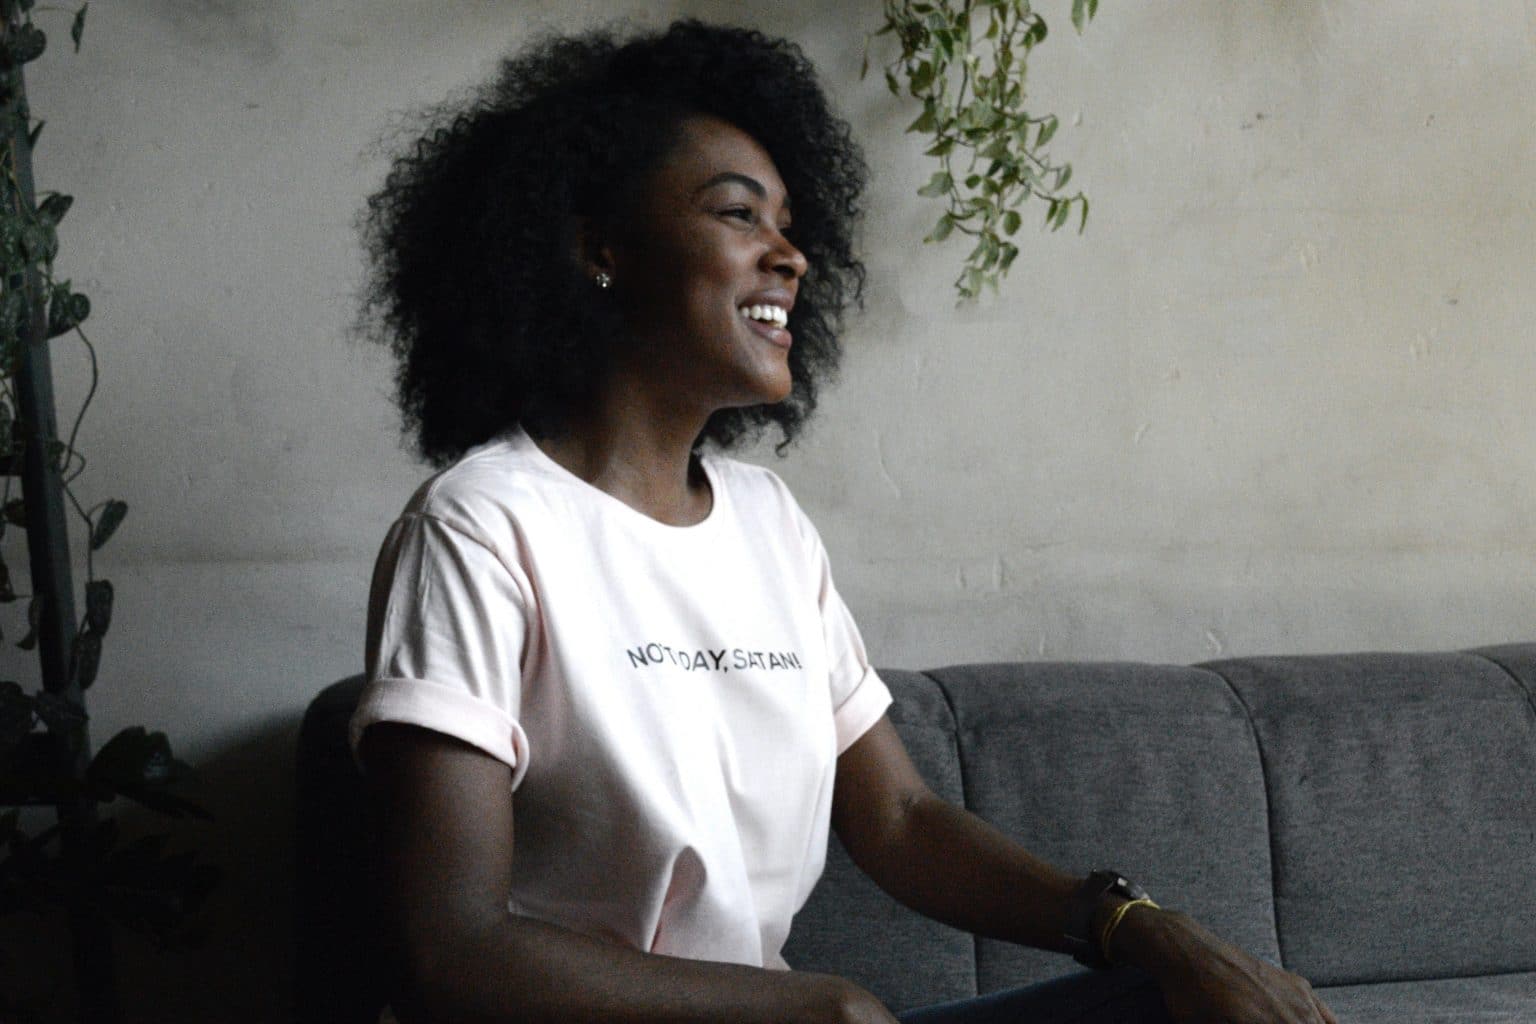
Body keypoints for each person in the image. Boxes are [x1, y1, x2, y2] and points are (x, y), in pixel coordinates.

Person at [351, 19, 1338, 1024]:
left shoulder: (767, 523)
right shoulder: (481, 528)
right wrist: (812, 1009)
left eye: (789, 222)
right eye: (740, 215)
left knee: (1189, 1002)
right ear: (599, 248)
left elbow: (902, 820)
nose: (791, 255)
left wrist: (1132, 922)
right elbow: (452, 950)